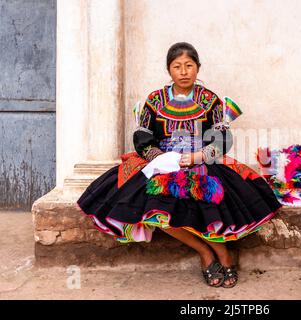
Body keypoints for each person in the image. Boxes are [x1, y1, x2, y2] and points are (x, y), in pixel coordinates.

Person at [77, 42, 282, 288]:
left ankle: (225, 256)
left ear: (198, 68)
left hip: (203, 161)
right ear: (169, 70)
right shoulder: (155, 100)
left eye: (189, 65)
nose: (183, 71)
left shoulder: (211, 101)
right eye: (177, 66)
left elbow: (222, 138)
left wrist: (198, 157)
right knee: (156, 211)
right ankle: (205, 254)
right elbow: (142, 138)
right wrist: (160, 158)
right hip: (164, 164)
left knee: (207, 206)